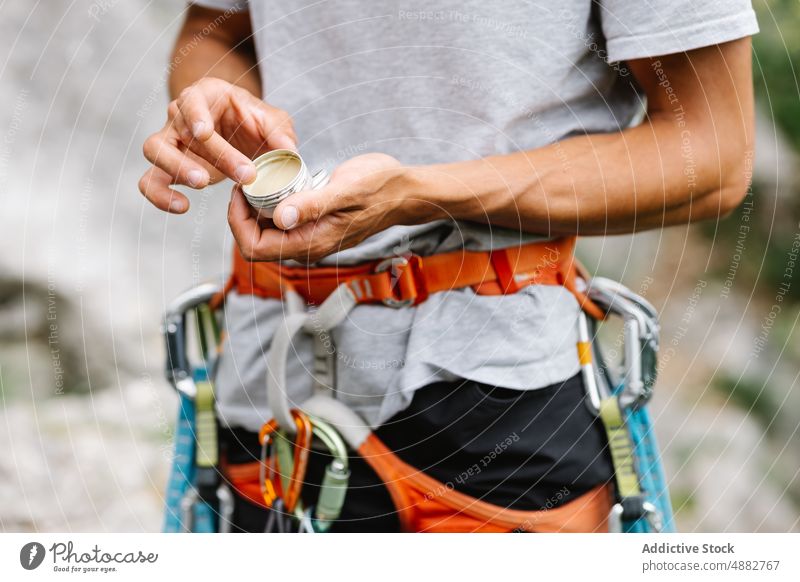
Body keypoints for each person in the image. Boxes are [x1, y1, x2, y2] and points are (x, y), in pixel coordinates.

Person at [140, 1, 758, 532]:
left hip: (494, 393)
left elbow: (713, 153)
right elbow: (215, 31)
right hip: (270, 380)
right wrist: (220, 111)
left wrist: (420, 193)